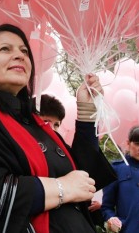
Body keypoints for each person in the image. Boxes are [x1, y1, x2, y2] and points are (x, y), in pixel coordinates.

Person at [0, 23, 116, 233]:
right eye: (5, 49)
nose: (19, 55)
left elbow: (83, 180)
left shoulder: (33, 120)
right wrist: (61, 188)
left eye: (24, 51)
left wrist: (86, 113)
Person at [38, 94, 104, 228]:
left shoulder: (64, 150)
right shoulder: (23, 148)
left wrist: (86, 112)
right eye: (46, 121)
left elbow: (86, 163)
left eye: (56, 124)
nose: (51, 128)